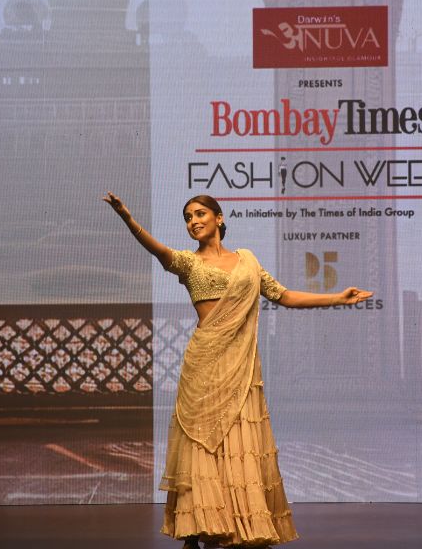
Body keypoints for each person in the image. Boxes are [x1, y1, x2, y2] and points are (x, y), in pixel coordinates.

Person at [103, 192, 373, 548]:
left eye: (200, 214)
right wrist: (127, 218)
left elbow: (284, 296)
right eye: (188, 217)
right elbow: (158, 251)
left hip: (241, 366)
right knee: (202, 441)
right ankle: (198, 526)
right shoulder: (188, 263)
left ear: (219, 217)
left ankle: (241, 528)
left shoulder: (247, 261)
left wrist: (337, 297)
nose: (193, 221)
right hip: (205, 364)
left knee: (239, 443)